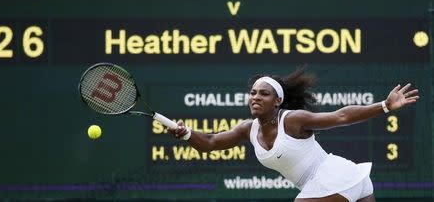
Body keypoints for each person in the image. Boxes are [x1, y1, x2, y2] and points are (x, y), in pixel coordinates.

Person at [170, 67, 419, 202]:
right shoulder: (248, 128)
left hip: (335, 178)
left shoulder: (293, 120)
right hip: (349, 183)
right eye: (253, 92)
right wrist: (186, 134)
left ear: (278, 100)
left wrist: (384, 106)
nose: (256, 96)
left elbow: (341, 116)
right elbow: (211, 142)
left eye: (263, 94)